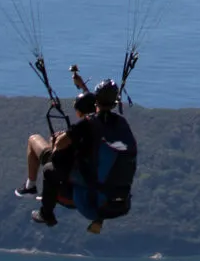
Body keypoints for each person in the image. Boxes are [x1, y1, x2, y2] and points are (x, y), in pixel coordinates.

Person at [18, 70, 138, 232]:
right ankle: (97, 219)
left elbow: (60, 145)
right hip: (116, 198)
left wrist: (58, 140)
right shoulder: (120, 123)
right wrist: (82, 86)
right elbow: (100, 110)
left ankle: (45, 212)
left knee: (49, 168)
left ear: (96, 101)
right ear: (114, 103)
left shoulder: (87, 124)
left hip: (87, 198)